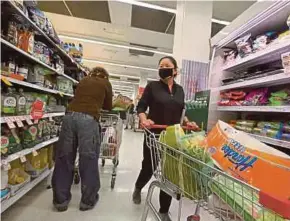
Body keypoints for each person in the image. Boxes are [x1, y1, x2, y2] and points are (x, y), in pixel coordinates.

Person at [132, 56, 198, 221]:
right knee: (149, 167)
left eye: (167, 66)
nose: (163, 68)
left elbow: (182, 111)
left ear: (175, 70)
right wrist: (144, 119)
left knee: (170, 172)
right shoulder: (152, 86)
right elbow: (141, 107)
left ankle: (163, 210)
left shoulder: (180, 90)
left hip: (173, 137)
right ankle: (138, 187)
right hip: (154, 134)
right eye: (161, 65)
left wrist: (189, 122)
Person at [52, 66, 113, 212]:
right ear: (105, 75)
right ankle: (87, 201)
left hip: (69, 117)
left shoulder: (84, 80)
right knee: (88, 159)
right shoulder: (106, 83)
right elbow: (108, 106)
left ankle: (60, 201)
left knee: (64, 158)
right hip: (88, 119)